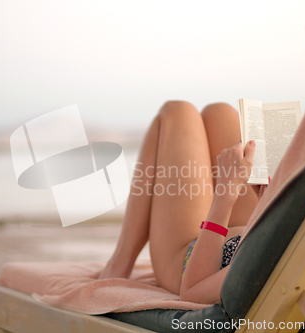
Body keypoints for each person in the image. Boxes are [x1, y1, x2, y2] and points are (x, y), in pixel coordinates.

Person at [98, 101, 268, 305]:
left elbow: (193, 291)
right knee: (219, 112)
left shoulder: (272, 264)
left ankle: (120, 262)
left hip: (192, 259)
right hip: (253, 229)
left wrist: (226, 191)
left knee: (176, 111)